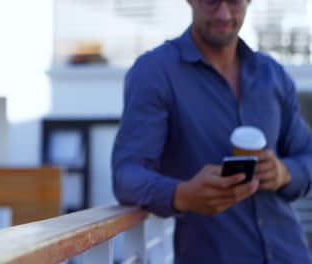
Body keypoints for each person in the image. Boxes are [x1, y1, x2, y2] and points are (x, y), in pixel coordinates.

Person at [111, 0, 312, 263]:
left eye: (235, 2)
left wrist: (285, 173)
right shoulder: (155, 72)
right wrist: (181, 195)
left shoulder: (272, 73)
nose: (223, 14)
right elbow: (127, 173)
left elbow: (307, 153)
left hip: (291, 254)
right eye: (211, 1)